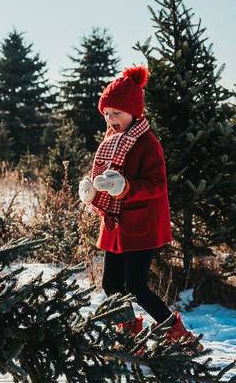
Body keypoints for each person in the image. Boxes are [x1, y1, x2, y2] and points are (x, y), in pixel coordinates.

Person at [78, 65, 198, 346]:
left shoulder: (147, 143)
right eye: (107, 114)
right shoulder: (111, 140)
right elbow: (104, 177)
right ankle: (130, 331)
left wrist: (127, 187)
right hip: (115, 223)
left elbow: (157, 184)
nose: (111, 119)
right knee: (110, 284)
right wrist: (93, 190)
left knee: (135, 285)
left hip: (141, 225)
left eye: (117, 113)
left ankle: (178, 334)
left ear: (134, 112)